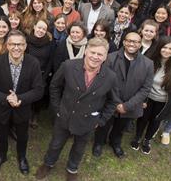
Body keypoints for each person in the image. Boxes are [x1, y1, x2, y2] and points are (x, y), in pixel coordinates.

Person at [35, 38, 118, 181]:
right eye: (93, 52)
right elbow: (54, 86)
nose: (95, 57)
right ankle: (48, 163)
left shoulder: (110, 76)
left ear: (105, 57)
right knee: (55, 144)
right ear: (86, 51)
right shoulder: (68, 66)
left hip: (88, 121)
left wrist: (101, 120)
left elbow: (113, 101)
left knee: (79, 148)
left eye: (100, 54)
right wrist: (57, 109)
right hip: (65, 116)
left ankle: (72, 168)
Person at [0, 30, 44, 174]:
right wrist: (6, 98)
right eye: (13, 44)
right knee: (1, 134)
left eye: (20, 44)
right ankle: (1, 155)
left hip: (22, 109)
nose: (16, 48)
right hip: (1, 108)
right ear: (7, 45)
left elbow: (38, 90)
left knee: (23, 136)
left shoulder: (33, 63)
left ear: (25, 46)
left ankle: (22, 158)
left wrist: (20, 99)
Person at [93, 32, 154, 159]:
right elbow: (104, 80)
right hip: (109, 101)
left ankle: (115, 142)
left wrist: (127, 105)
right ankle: (99, 143)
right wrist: (116, 102)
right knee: (104, 124)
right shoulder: (110, 58)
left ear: (140, 44)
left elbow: (146, 88)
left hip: (130, 106)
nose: (132, 44)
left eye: (136, 41)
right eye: (129, 40)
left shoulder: (148, 64)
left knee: (120, 127)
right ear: (124, 42)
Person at [131, 36, 171, 154]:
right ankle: (137, 137)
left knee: (155, 121)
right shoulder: (150, 61)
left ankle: (147, 140)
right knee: (142, 118)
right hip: (148, 98)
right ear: (159, 48)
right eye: (164, 48)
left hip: (163, 101)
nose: (167, 51)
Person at [26, 20, 55, 129]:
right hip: (28, 73)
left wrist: (44, 77)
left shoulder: (50, 42)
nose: (41, 30)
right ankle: (28, 114)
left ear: (46, 31)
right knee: (28, 95)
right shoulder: (27, 41)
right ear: (34, 27)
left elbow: (50, 61)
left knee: (39, 96)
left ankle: (35, 116)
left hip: (42, 74)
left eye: (43, 29)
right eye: (39, 27)